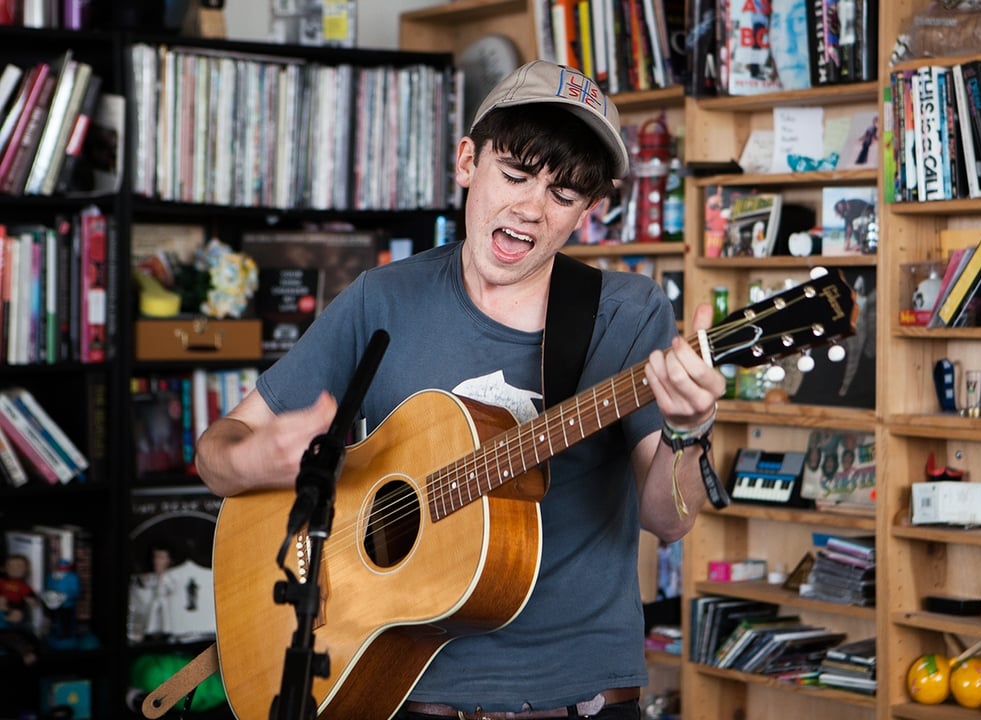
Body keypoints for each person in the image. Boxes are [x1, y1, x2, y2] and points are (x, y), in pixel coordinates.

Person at [194, 60, 725, 720]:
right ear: (468, 160)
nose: (531, 208)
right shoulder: (384, 298)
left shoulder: (626, 313)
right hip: (398, 691)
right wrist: (254, 461)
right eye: (516, 173)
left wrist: (688, 428)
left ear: (588, 211)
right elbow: (217, 453)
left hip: (577, 697)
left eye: (564, 194)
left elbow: (667, 520)